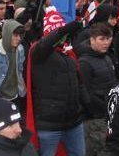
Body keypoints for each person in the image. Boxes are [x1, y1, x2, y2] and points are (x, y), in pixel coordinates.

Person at [30, 21, 85, 156]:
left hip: (73, 121)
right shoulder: (38, 53)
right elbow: (45, 45)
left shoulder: (68, 54)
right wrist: (61, 31)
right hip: (49, 124)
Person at [78, 23, 117, 156]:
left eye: (108, 39)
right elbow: (85, 92)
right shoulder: (85, 62)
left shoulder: (106, 57)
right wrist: (98, 110)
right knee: (96, 149)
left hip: (108, 114)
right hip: (94, 118)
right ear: (92, 40)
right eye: (102, 39)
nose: (106, 43)